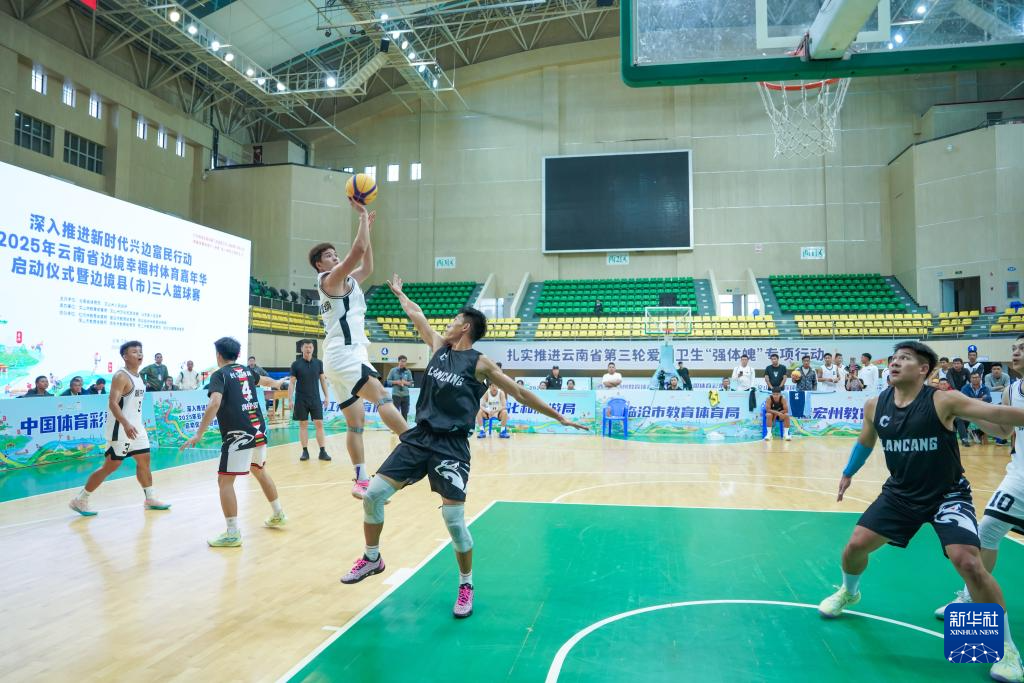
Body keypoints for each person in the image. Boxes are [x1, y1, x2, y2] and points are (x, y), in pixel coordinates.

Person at [339, 275, 587, 619]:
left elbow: (519, 393)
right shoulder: (439, 347)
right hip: (419, 438)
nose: (449, 323)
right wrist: (401, 294)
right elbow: (417, 316)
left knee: (454, 520)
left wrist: (559, 417)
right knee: (373, 496)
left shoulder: (480, 363)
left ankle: (466, 584)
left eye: (455, 320)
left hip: (451, 446)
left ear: (466, 327)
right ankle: (372, 558)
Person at [817, 341, 1024, 683]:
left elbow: (998, 415)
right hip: (900, 494)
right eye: (894, 358)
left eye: (905, 358)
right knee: (854, 547)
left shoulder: (942, 400)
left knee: (969, 563)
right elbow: (866, 440)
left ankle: (1006, 649)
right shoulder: (875, 404)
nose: (895, 362)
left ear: (924, 369)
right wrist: (849, 471)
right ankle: (849, 592)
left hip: (948, 495)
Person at [309, 200, 410, 499]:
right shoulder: (330, 280)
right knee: (382, 397)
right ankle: (416, 445)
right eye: (329, 255)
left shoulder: (347, 281)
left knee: (355, 425)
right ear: (320, 265)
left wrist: (368, 230)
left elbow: (367, 265)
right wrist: (362, 219)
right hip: (346, 353)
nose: (335, 256)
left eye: (335, 253)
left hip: (339, 357)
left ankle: (361, 480)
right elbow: (357, 252)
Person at [934, 335, 1024, 620]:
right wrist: (967, 412)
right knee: (986, 533)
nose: (1015, 352)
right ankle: (970, 597)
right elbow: (1003, 431)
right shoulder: (1013, 389)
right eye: (1014, 348)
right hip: (1019, 478)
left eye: (1022, 348)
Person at [182, 337, 291, 547]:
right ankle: (278, 513)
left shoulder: (219, 375)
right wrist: (277, 383)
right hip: (258, 430)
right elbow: (263, 380)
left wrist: (199, 434)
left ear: (218, 355)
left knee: (224, 481)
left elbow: (214, 402)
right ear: (238, 354)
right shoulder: (246, 371)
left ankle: (232, 533)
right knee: (259, 470)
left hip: (238, 435)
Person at [69, 341, 170, 516]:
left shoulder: (139, 377)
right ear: (125, 356)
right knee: (110, 466)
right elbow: (113, 403)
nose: (139, 354)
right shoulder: (121, 376)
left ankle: (150, 498)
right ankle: (80, 499)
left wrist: (135, 423)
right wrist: (125, 423)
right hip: (121, 428)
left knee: (144, 460)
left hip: (136, 428)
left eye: (140, 351)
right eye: (134, 352)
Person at [289, 340, 331, 462]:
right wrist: (290, 399)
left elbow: (323, 380)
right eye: (306, 347)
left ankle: (322, 451)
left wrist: (327, 396)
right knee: (303, 425)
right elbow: (292, 383)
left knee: (319, 424)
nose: (308, 349)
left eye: (310, 347)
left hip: (315, 399)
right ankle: (305, 451)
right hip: (301, 399)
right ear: (302, 349)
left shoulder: (318, 363)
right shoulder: (296, 364)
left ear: (313, 349)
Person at [960, 372, 992, 446]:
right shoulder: (965, 388)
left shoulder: (985, 388)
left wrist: (971, 399)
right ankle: (965, 439)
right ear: (970, 379)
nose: (975, 379)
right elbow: (964, 400)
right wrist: (981, 399)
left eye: (977, 377)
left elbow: (989, 399)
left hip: (981, 410)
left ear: (980, 378)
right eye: (973, 378)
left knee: (992, 418)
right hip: (968, 410)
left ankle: (976, 432)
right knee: (960, 419)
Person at [385, 355, 415, 422]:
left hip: (406, 395)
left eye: (405, 361)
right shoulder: (393, 370)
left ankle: (404, 427)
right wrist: (396, 382)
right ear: (398, 361)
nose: (403, 363)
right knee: (395, 413)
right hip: (396, 395)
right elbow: (388, 381)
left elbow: (412, 383)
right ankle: (395, 426)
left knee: (405, 413)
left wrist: (405, 382)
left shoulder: (408, 371)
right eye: (402, 361)